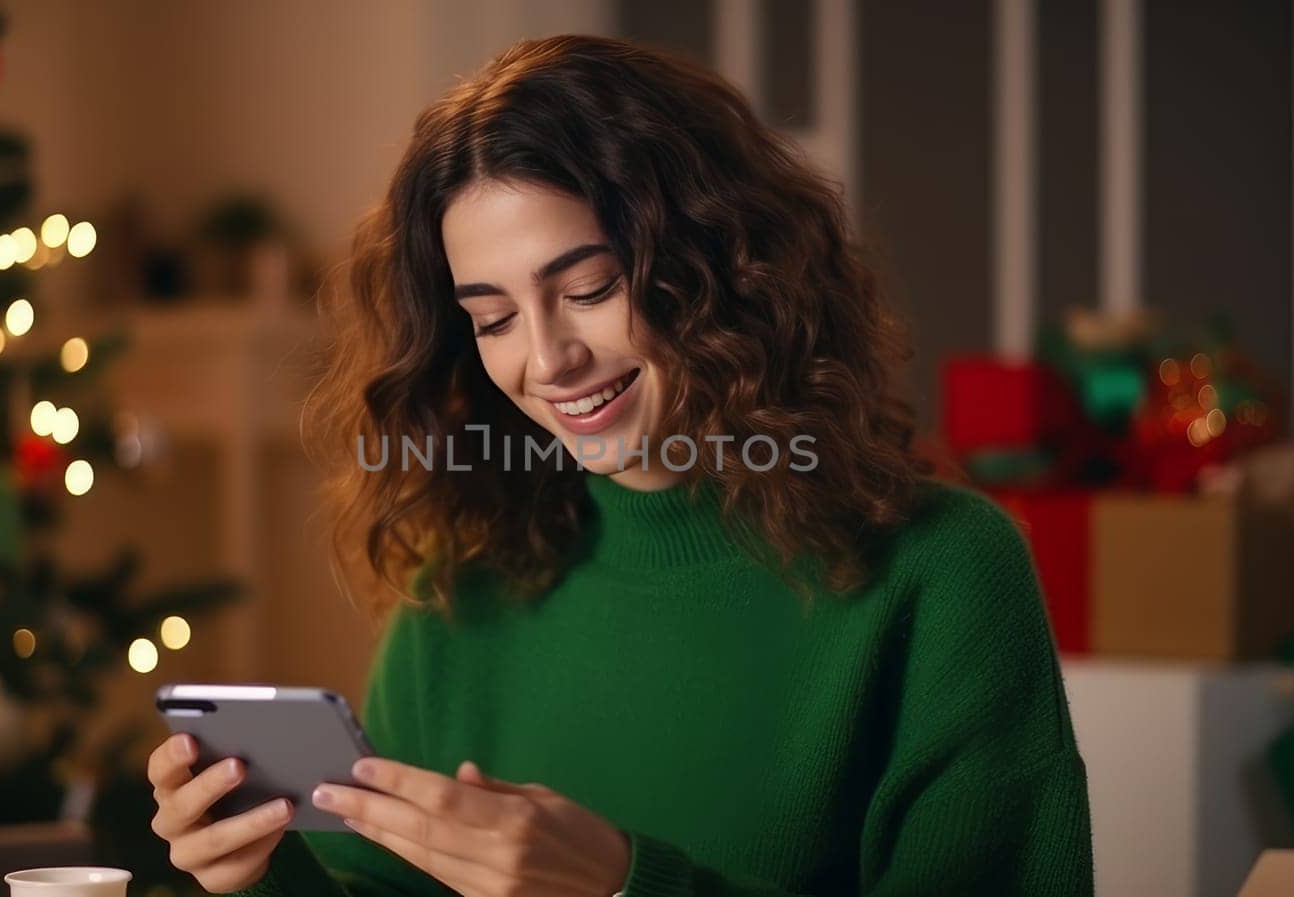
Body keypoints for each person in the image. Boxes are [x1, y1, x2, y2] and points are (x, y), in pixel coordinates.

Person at [147, 34, 1093, 897]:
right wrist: (254, 878)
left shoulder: (945, 575)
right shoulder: (458, 600)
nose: (548, 358)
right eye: (494, 318)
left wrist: (619, 885)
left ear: (718, 261)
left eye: (589, 288)